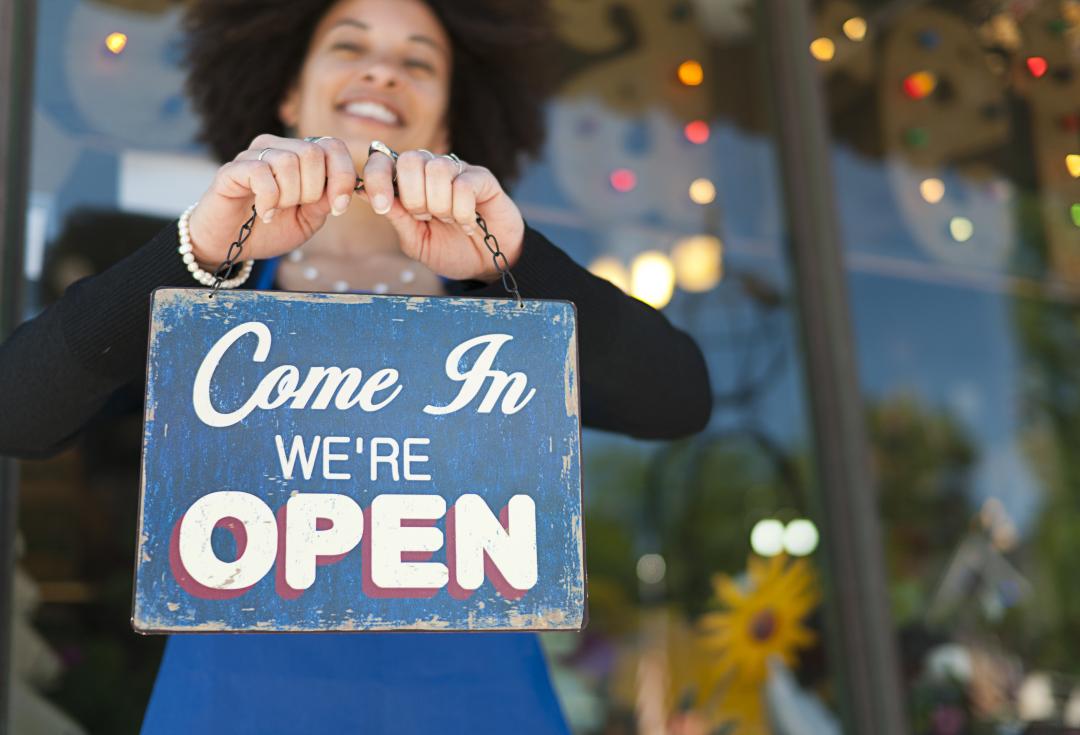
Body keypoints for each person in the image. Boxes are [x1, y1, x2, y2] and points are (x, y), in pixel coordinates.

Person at [0, 0, 712, 731]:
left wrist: (516, 262)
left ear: (447, 124)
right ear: (287, 95)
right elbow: (17, 412)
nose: (381, 70)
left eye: (418, 62)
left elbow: (678, 399)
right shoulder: (210, 291)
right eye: (349, 46)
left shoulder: (499, 307)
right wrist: (197, 254)